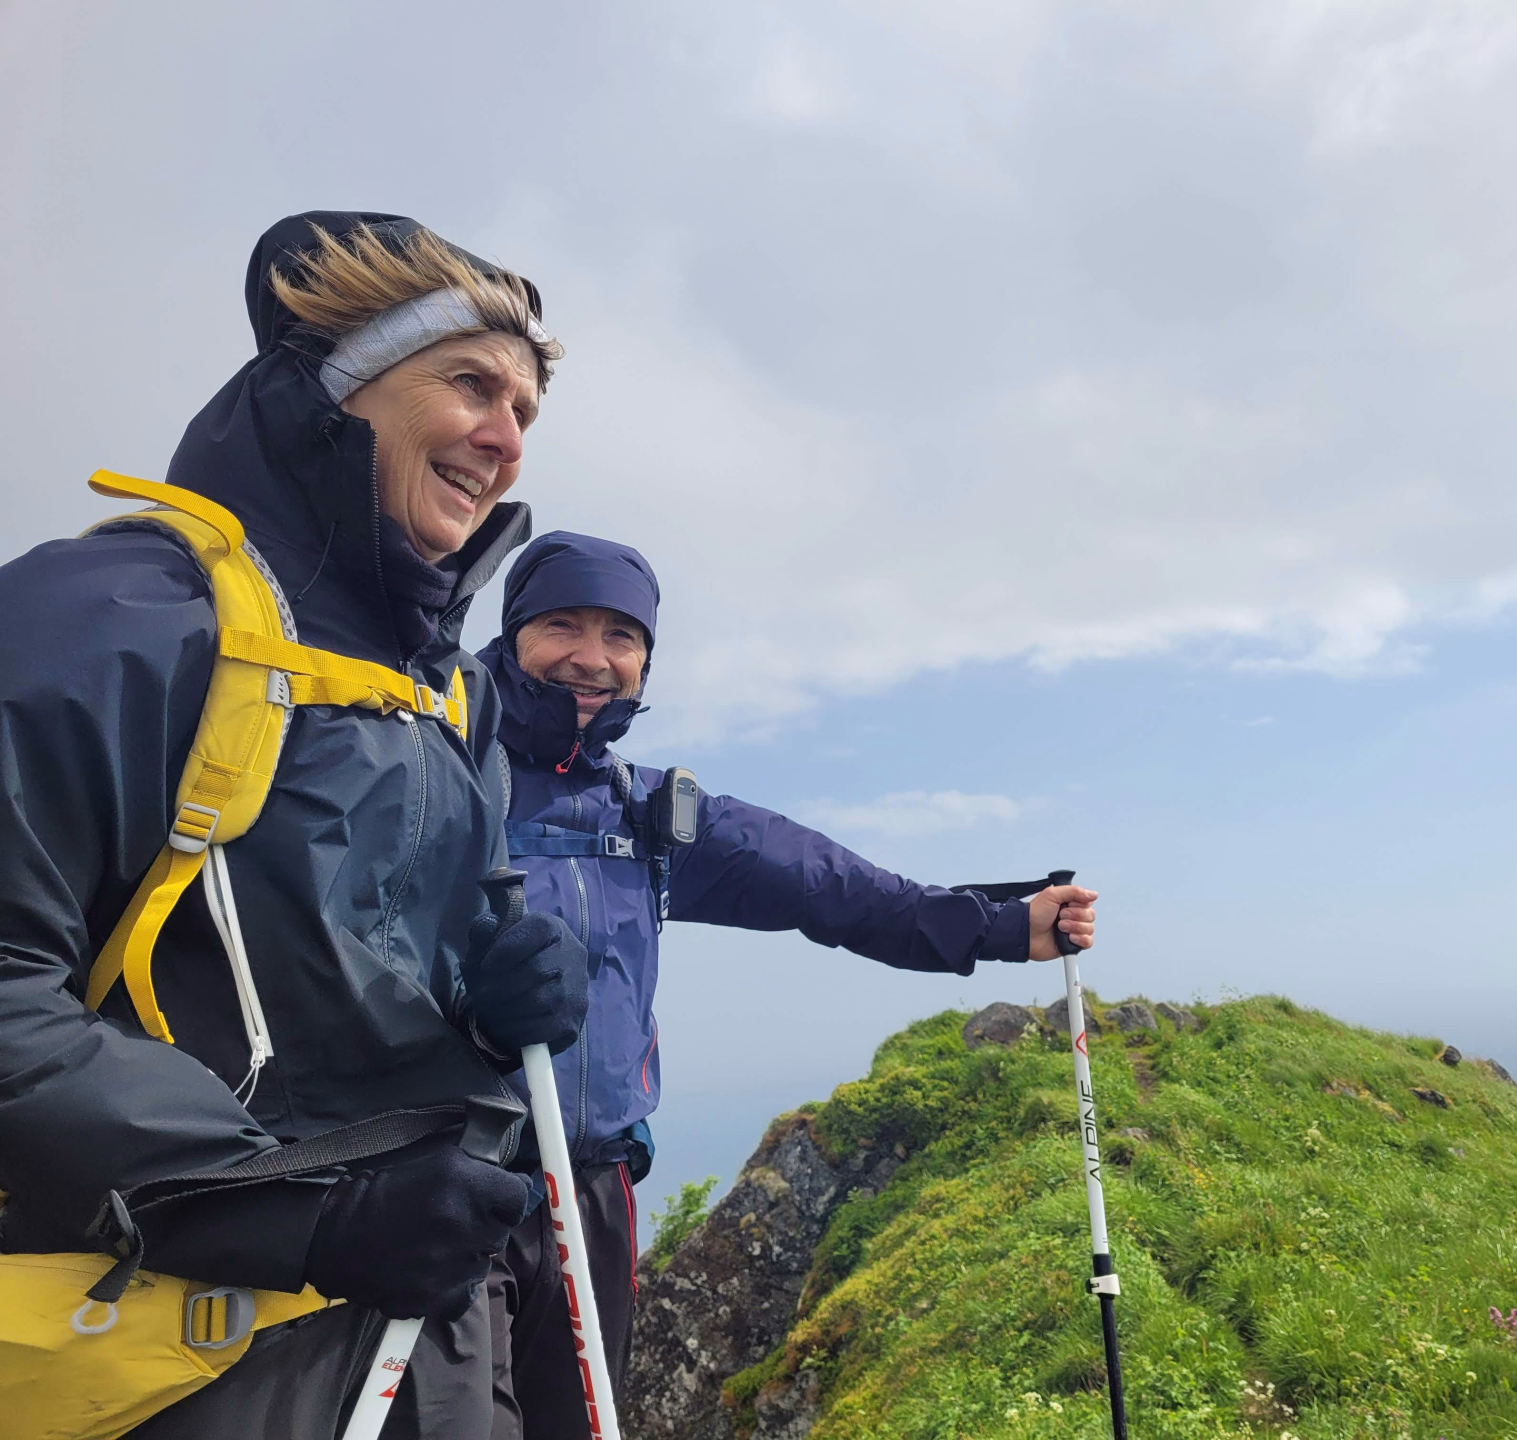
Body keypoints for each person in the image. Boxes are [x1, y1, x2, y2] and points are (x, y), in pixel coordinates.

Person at [0, 211, 590, 1437]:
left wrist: (488, 1000)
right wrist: (300, 1214)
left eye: (526, 411)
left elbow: (375, 975)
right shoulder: (114, 614)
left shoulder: (448, 691)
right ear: (338, 392)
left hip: (429, 1318)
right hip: (174, 1349)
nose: (505, 438)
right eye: (471, 385)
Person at [476, 532, 1098, 1437]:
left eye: (621, 635)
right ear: (513, 635)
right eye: (562, 625)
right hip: (453, 1184)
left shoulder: (650, 813)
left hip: (592, 1192)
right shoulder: (441, 779)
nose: (592, 657)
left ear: (646, 659)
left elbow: (830, 888)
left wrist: (1005, 927)